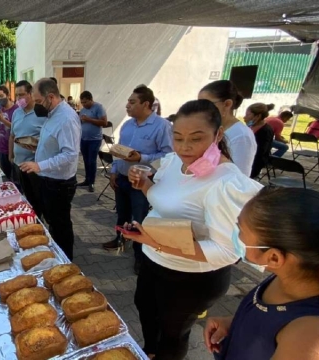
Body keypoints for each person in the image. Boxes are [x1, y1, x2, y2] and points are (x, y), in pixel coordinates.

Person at [124, 99, 263, 360]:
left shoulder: (226, 182)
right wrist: (144, 184)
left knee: (172, 334)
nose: (184, 147)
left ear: (218, 135)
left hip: (189, 278)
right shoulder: (175, 162)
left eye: (196, 139)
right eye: (177, 137)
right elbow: (164, 198)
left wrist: (156, 243)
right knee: (145, 309)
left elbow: (227, 252)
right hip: (154, 262)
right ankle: (149, 352)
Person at [205, 188, 319, 360]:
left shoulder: (314, 340)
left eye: (240, 230)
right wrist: (235, 323)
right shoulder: (292, 275)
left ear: (273, 257)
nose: (236, 235)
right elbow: (272, 317)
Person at [104, 85, 173, 275]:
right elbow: (119, 150)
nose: (127, 106)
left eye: (132, 102)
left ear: (146, 104)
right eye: (128, 101)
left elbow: (168, 156)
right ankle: (120, 239)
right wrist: (114, 171)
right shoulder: (127, 125)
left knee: (140, 220)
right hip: (124, 179)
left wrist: (141, 158)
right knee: (122, 214)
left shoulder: (162, 126)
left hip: (143, 183)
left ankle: (140, 257)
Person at [20, 78, 81, 260]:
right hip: (48, 179)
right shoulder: (52, 113)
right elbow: (54, 142)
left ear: (51, 97)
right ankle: (57, 256)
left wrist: (39, 165)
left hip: (59, 183)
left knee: (61, 226)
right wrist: (39, 147)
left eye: (38, 101)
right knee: (54, 223)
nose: (36, 105)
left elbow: (70, 155)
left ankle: (66, 262)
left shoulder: (66, 118)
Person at [199, 80, 257, 177]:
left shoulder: (242, 136)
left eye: (206, 105)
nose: (200, 110)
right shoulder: (212, 129)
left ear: (227, 104)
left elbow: (239, 177)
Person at [9, 80, 46, 219]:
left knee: (38, 198)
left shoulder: (41, 112)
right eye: (17, 95)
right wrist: (10, 155)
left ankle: (39, 222)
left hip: (36, 166)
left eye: (22, 95)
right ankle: (32, 218)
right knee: (27, 196)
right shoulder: (16, 113)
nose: (19, 99)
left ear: (30, 94)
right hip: (20, 163)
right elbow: (12, 135)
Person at [77, 91, 108, 192]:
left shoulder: (99, 107)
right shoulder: (82, 110)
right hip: (84, 139)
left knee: (91, 160)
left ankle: (92, 182)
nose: (84, 104)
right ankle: (87, 179)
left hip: (94, 139)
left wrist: (89, 119)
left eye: (85, 102)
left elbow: (104, 122)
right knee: (86, 160)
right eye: (82, 102)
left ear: (91, 99)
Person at [0, 85, 19, 180]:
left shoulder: (17, 110)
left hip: (11, 148)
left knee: (14, 178)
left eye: (1, 96)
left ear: (8, 95)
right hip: (0, 146)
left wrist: (2, 119)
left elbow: (17, 128)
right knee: (4, 176)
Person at [244, 103, 275, 179]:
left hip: (254, 164)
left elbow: (261, 151)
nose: (245, 117)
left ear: (258, 116)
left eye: (248, 115)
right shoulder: (250, 126)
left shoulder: (266, 131)